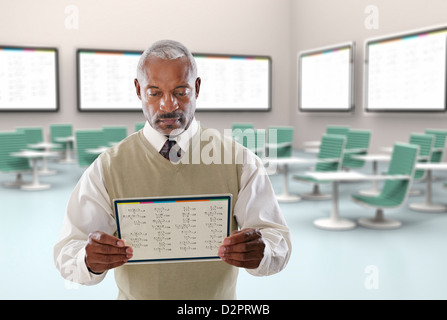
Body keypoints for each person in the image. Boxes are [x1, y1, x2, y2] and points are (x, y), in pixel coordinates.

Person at [54, 40, 291, 300]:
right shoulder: (107, 168)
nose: (168, 106)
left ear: (197, 88)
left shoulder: (241, 162)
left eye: (181, 91)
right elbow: (68, 250)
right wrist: (88, 260)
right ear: (138, 90)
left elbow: (276, 240)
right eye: (154, 93)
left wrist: (263, 252)